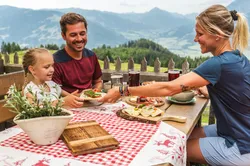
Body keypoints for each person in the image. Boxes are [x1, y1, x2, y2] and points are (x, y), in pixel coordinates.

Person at [99, 4, 250, 165]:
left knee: (170, 149)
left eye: (200, 34)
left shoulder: (218, 64)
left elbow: (168, 88)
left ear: (218, 35)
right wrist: (207, 91)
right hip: (239, 132)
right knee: (181, 134)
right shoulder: (238, 58)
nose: (195, 39)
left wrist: (122, 90)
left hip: (240, 146)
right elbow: (236, 92)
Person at [52, 12, 102, 96]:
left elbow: (98, 81)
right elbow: (54, 90)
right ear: (63, 36)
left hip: (91, 103)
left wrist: (94, 93)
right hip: (67, 106)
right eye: (73, 35)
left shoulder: (91, 56)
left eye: (82, 34)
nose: (79, 39)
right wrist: (75, 97)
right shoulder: (55, 61)